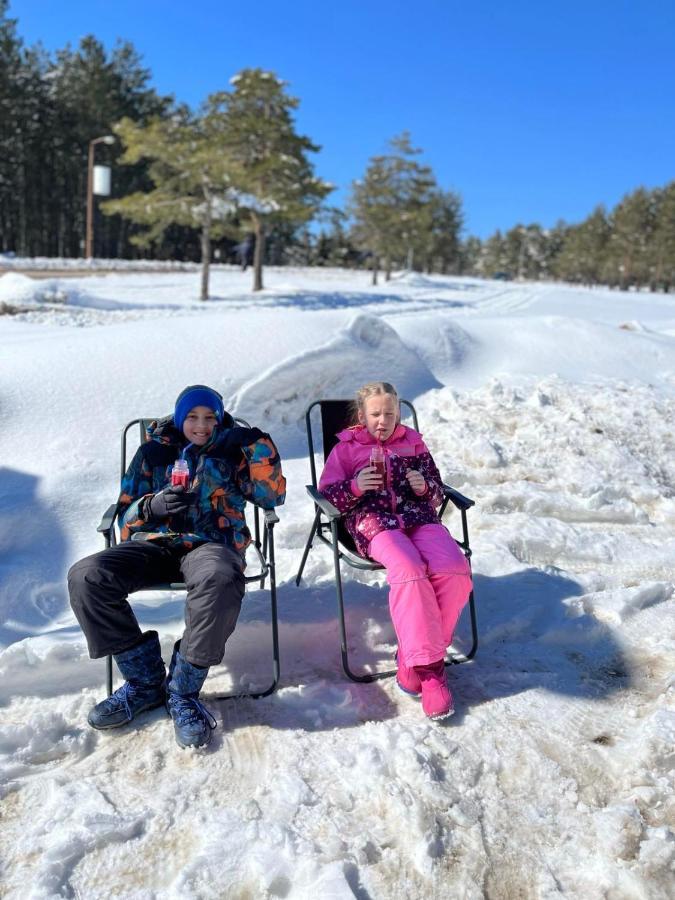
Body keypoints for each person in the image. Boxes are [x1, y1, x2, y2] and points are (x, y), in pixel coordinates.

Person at [68, 385, 286, 749]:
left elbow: (272, 496)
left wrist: (257, 445)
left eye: (210, 418)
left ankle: (183, 692)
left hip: (210, 546)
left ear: (220, 420)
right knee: (87, 576)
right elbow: (123, 515)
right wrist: (150, 506)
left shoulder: (235, 450)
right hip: (154, 545)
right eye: (193, 417)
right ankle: (144, 683)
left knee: (219, 579)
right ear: (179, 417)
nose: (201, 426)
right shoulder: (153, 452)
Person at [318, 382, 472, 720]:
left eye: (390, 413)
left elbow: (435, 488)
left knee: (455, 569)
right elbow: (327, 496)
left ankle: (410, 658)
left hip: (419, 518)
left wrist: (425, 487)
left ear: (398, 414)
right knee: (409, 569)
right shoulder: (346, 448)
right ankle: (430, 672)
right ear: (362, 416)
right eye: (375, 413)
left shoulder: (413, 443)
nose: (382, 420)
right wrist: (356, 486)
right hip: (375, 523)